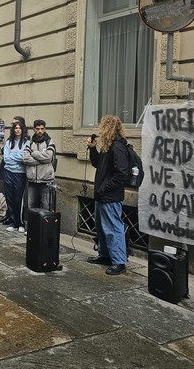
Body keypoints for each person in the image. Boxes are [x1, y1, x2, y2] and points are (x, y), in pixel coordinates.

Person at [87, 115, 129, 275]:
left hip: (110, 197)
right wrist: (92, 148)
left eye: (102, 126)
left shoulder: (117, 147)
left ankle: (119, 261)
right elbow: (98, 163)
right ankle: (105, 255)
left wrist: (104, 189)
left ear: (108, 128)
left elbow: (122, 174)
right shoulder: (108, 146)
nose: (100, 130)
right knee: (102, 228)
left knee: (113, 228)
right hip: (102, 196)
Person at [23, 119, 56, 211]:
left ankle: (45, 226)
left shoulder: (49, 142)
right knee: (31, 208)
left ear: (45, 129)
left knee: (46, 208)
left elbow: (49, 158)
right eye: (37, 129)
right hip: (32, 181)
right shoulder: (29, 143)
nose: (40, 131)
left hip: (46, 181)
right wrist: (41, 160)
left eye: (42, 129)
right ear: (34, 129)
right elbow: (25, 158)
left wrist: (34, 153)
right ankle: (33, 226)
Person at [2, 119, 28, 232]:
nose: (17, 130)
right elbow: (6, 158)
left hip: (20, 173)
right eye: (15, 128)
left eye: (19, 128)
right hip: (8, 172)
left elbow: (24, 157)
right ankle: (12, 222)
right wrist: (16, 156)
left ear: (22, 130)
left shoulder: (26, 142)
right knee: (10, 198)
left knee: (18, 199)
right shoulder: (9, 142)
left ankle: (20, 223)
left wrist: (14, 156)